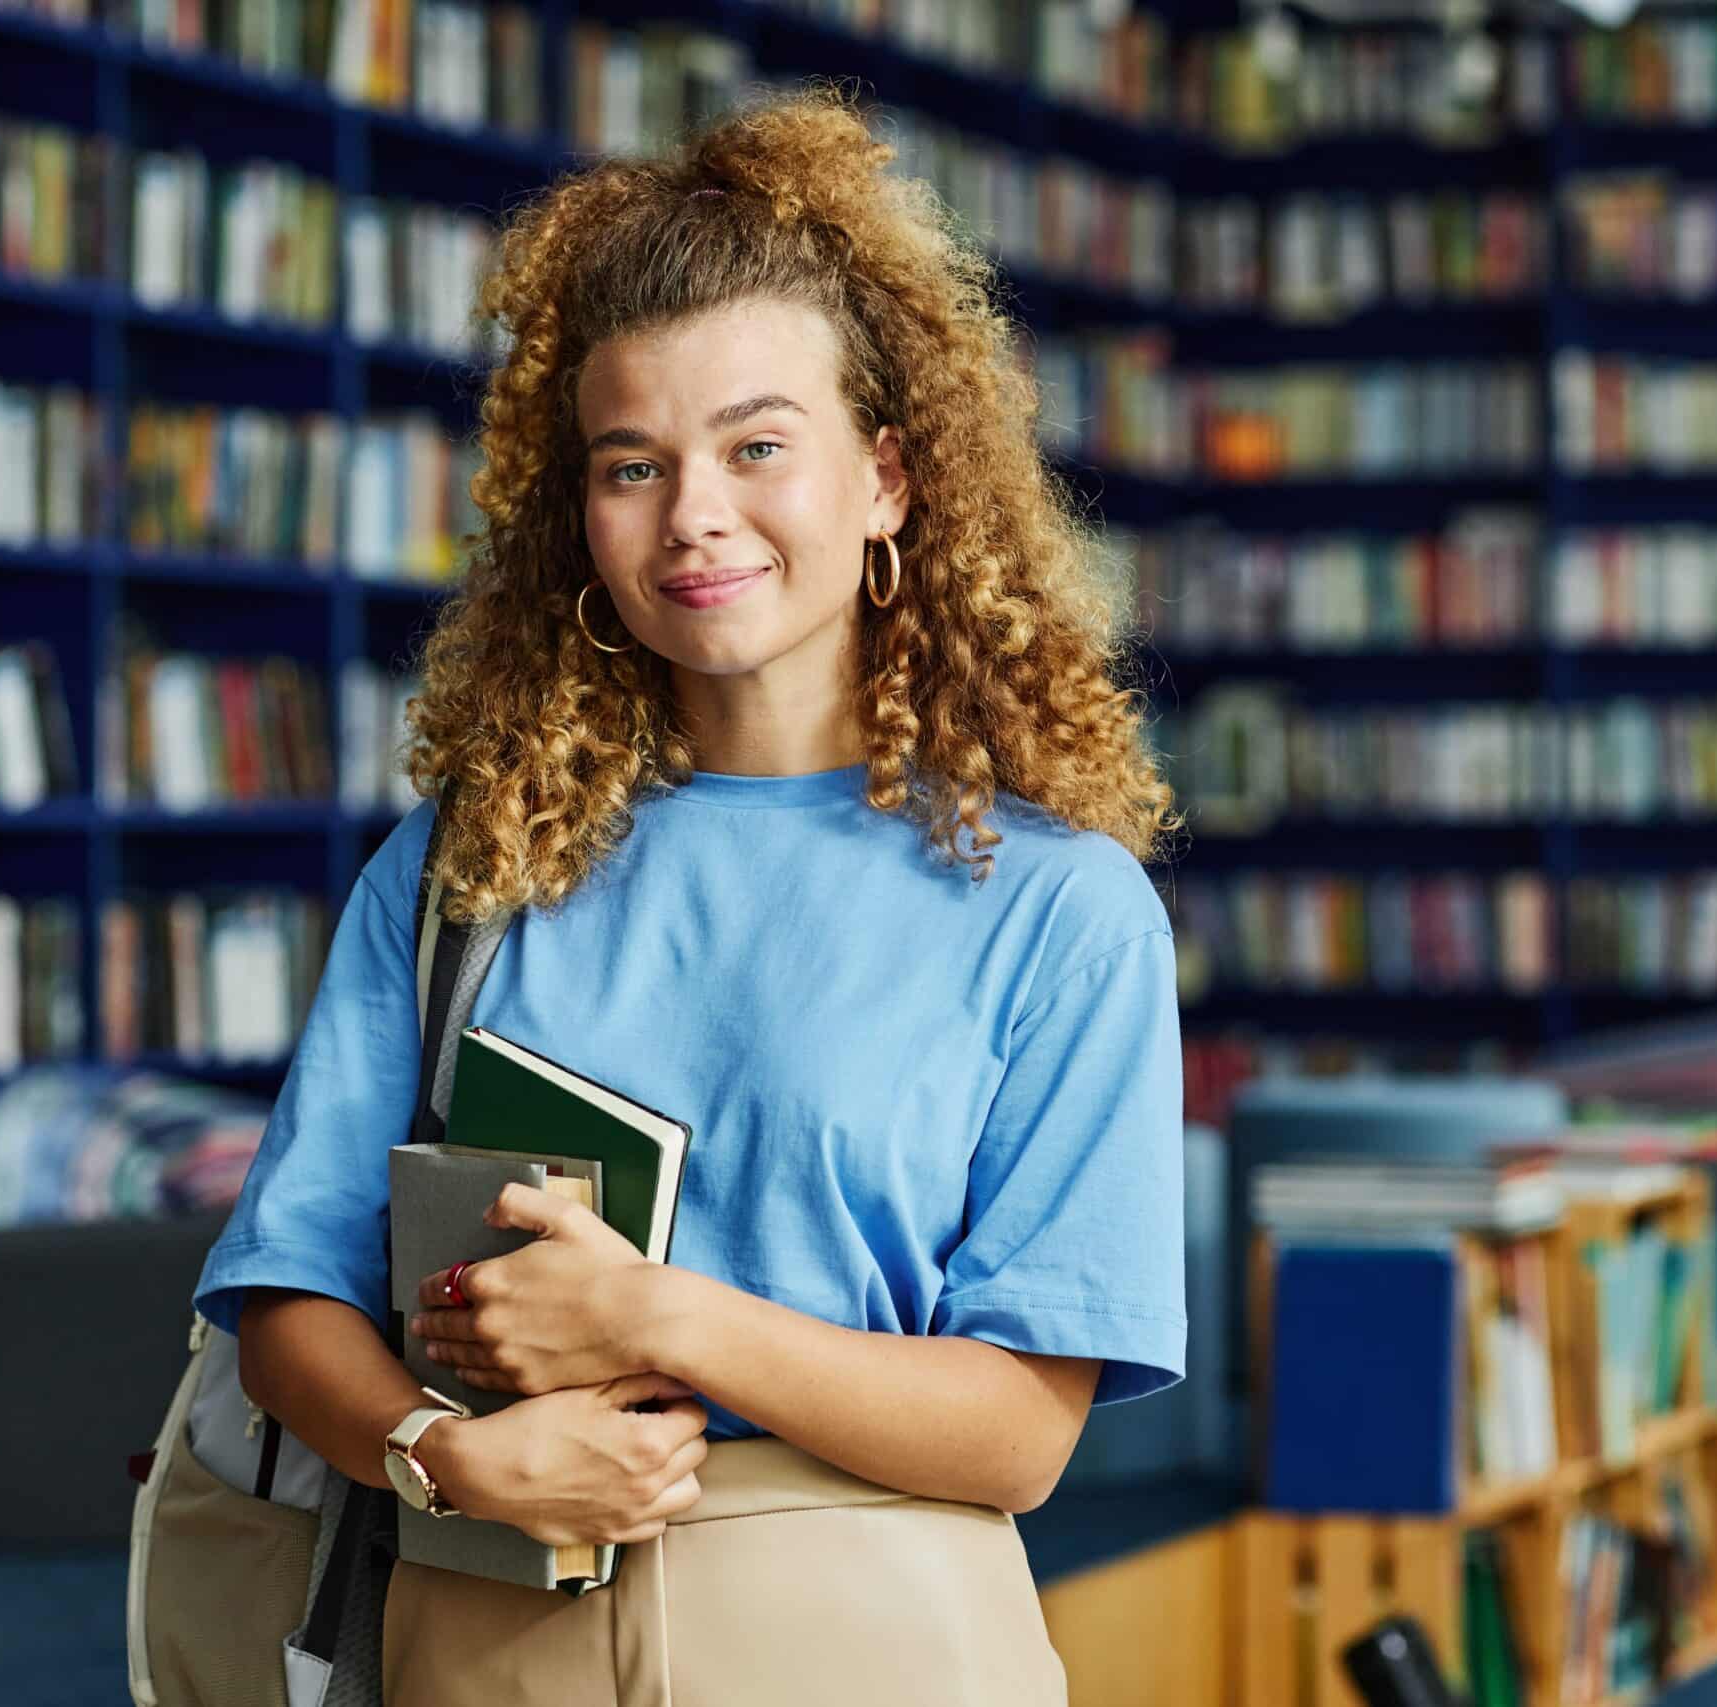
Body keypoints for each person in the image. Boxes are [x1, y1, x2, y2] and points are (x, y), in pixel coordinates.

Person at [192, 84, 1188, 1705]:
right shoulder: (470, 868)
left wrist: (655, 1318)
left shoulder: (1058, 910)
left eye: (757, 447)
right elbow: (284, 1297)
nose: (695, 516)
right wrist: (442, 1455)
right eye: (631, 465)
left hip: (869, 1632)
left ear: (886, 481)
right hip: (490, 1619)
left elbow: (1019, 1437)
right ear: (578, 515)